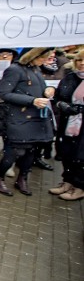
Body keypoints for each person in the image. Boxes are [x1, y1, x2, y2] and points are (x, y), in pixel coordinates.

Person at [0, 48, 55, 197]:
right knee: (14, 151)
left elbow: (39, 88)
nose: (44, 61)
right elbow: (4, 93)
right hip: (20, 117)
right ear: (33, 56)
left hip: (35, 117)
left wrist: (48, 90)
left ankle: (22, 178)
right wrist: (31, 101)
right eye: (42, 58)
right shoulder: (14, 70)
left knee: (31, 151)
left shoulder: (35, 69)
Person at [51, 49, 84, 200]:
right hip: (68, 123)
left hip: (82, 127)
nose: (82, 63)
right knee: (66, 152)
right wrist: (63, 105)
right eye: (79, 60)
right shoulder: (70, 77)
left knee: (80, 156)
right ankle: (67, 181)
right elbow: (57, 97)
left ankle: (80, 187)